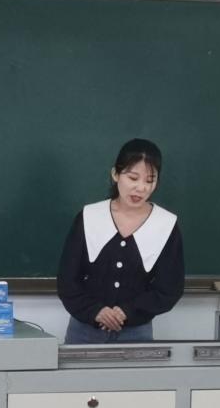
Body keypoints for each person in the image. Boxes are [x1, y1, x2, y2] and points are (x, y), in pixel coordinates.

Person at [57, 138, 185, 344]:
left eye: (149, 180)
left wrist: (128, 311)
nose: (141, 188)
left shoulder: (165, 224)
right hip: (84, 331)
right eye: (133, 178)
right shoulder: (90, 216)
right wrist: (95, 311)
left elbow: (169, 288)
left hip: (137, 334)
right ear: (115, 174)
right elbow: (67, 279)